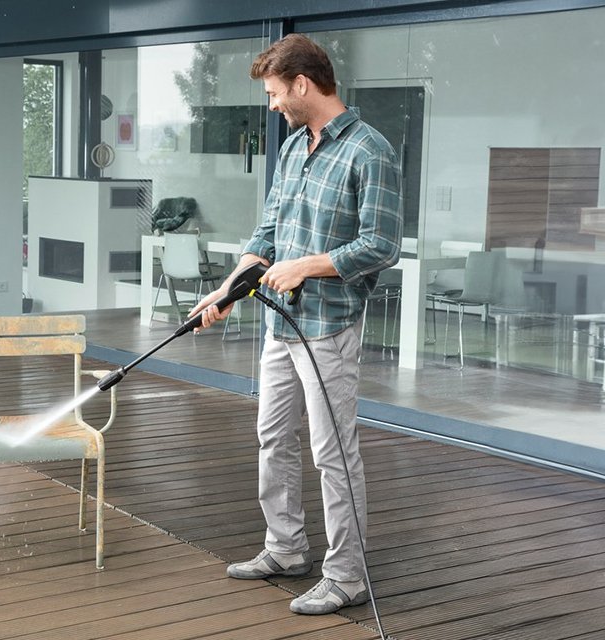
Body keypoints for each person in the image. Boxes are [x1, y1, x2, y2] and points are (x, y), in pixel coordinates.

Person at [189, 33, 402, 615]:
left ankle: (348, 575)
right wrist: (228, 290)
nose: (272, 104)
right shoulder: (291, 149)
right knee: (272, 437)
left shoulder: (369, 151)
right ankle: (284, 548)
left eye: (275, 92)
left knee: (332, 451)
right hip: (280, 328)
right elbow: (268, 235)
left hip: (328, 328)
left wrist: (308, 265)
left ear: (303, 85)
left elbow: (382, 245)